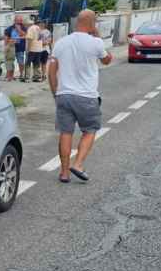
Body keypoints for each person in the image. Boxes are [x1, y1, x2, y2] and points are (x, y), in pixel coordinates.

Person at [47, 9, 113, 183]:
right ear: (92, 23)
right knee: (90, 130)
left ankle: (64, 173)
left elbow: (51, 70)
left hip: (64, 95)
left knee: (65, 133)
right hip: (87, 96)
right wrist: (98, 36)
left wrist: (56, 93)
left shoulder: (61, 42)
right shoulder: (96, 43)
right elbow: (107, 60)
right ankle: (77, 164)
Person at [4, 15, 26, 82]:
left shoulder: (24, 28)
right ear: (15, 21)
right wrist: (7, 45)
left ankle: (21, 74)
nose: (20, 21)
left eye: (21, 20)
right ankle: (10, 75)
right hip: (11, 48)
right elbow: (6, 38)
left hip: (20, 48)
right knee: (10, 62)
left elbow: (25, 35)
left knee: (21, 61)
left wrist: (19, 30)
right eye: (18, 20)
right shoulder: (9, 28)